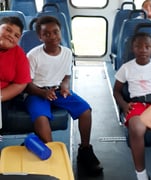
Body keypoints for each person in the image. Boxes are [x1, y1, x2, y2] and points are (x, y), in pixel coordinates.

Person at [24, 16, 103, 176]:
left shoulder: (67, 53)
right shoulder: (33, 55)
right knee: (41, 118)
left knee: (85, 110)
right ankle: (51, 156)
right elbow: (27, 84)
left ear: (61, 33)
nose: (52, 36)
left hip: (59, 91)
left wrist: (65, 87)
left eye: (55, 32)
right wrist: (43, 93)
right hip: (37, 92)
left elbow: (66, 76)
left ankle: (85, 149)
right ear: (40, 37)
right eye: (47, 34)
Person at [113, 32, 151, 180]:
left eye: (147, 46)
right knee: (137, 129)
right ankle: (141, 174)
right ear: (133, 48)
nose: (143, 50)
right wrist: (124, 105)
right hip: (136, 104)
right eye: (138, 46)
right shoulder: (126, 68)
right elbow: (116, 91)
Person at [0, 16, 31, 121]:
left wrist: (0, 96)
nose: (11, 36)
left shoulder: (19, 55)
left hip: (3, 95)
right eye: (8, 30)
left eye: (16, 35)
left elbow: (20, 84)